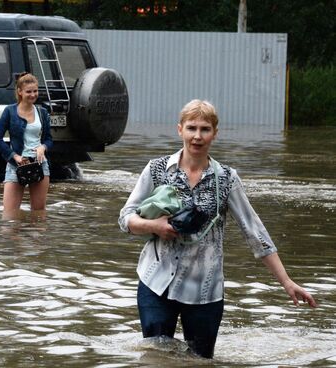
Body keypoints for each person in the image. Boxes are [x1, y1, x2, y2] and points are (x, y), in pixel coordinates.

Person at [118, 99, 316, 359]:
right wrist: (153, 225)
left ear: (215, 133)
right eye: (191, 128)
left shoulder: (227, 178)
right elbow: (125, 218)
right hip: (156, 283)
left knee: (200, 361)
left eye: (204, 129)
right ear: (180, 130)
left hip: (205, 291)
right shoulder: (156, 169)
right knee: (156, 358)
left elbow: (255, 233)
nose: (197, 136)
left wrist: (286, 282)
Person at [0, 72, 53, 214]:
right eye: (29, 92)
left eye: (35, 91)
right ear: (20, 92)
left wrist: (43, 147)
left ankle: (35, 237)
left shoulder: (42, 112)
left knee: (39, 214)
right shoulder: (10, 111)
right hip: (16, 165)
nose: (33, 95)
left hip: (39, 164)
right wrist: (14, 156)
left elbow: (49, 140)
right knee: (9, 215)